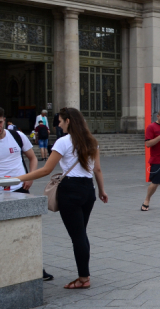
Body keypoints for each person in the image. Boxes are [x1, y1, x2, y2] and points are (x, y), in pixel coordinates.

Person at [16, 107, 108, 289]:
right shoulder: (92, 141)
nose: (58, 124)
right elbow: (97, 169)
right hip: (88, 189)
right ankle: (84, 275)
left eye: (60, 121)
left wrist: (17, 178)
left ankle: (84, 278)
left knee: (78, 235)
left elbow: (46, 170)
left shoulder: (63, 142)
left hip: (70, 190)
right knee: (81, 233)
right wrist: (101, 190)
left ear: (69, 121)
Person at [0, 107, 52, 281]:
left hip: (20, 188)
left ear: (4, 120)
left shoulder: (16, 136)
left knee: (28, 230)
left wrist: (31, 177)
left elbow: (32, 157)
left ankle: (36, 268)